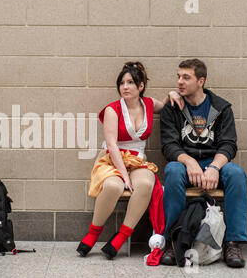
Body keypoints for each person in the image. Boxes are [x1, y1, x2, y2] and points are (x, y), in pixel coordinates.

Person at [77, 61, 183, 260]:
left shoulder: (150, 104)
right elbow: (112, 144)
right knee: (114, 187)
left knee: (145, 184)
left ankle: (121, 237)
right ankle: (93, 233)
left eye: (130, 83)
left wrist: (173, 94)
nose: (125, 87)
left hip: (137, 160)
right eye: (122, 83)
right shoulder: (112, 109)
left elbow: (166, 102)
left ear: (141, 86)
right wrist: (124, 176)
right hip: (112, 159)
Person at [160, 59, 247, 268]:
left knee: (236, 174)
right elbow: (169, 146)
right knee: (171, 170)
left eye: (186, 77)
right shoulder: (172, 108)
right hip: (184, 162)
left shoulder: (221, 107)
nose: (180, 82)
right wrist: (190, 162)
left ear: (201, 81)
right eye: (178, 76)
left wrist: (214, 167)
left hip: (213, 160)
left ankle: (232, 242)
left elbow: (228, 145)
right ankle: (174, 240)